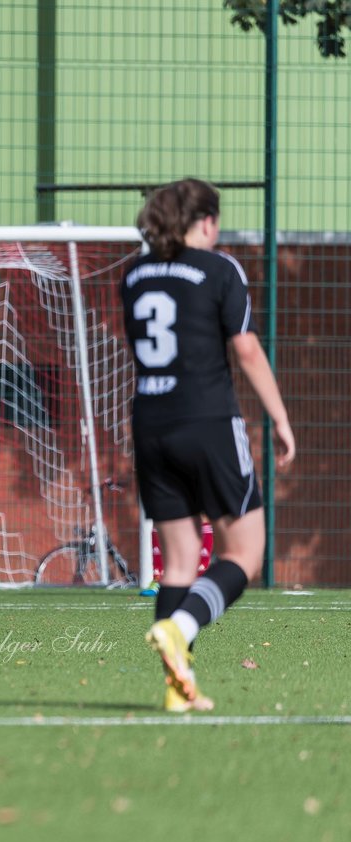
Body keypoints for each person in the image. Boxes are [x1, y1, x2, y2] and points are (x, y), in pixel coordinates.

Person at [122, 178, 295, 712]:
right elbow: (245, 349)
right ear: (207, 222)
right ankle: (182, 625)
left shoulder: (133, 274)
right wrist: (281, 418)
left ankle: (178, 691)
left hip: (150, 424)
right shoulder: (221, 269)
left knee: (178, 565)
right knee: (244, 553)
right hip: (209, 423)